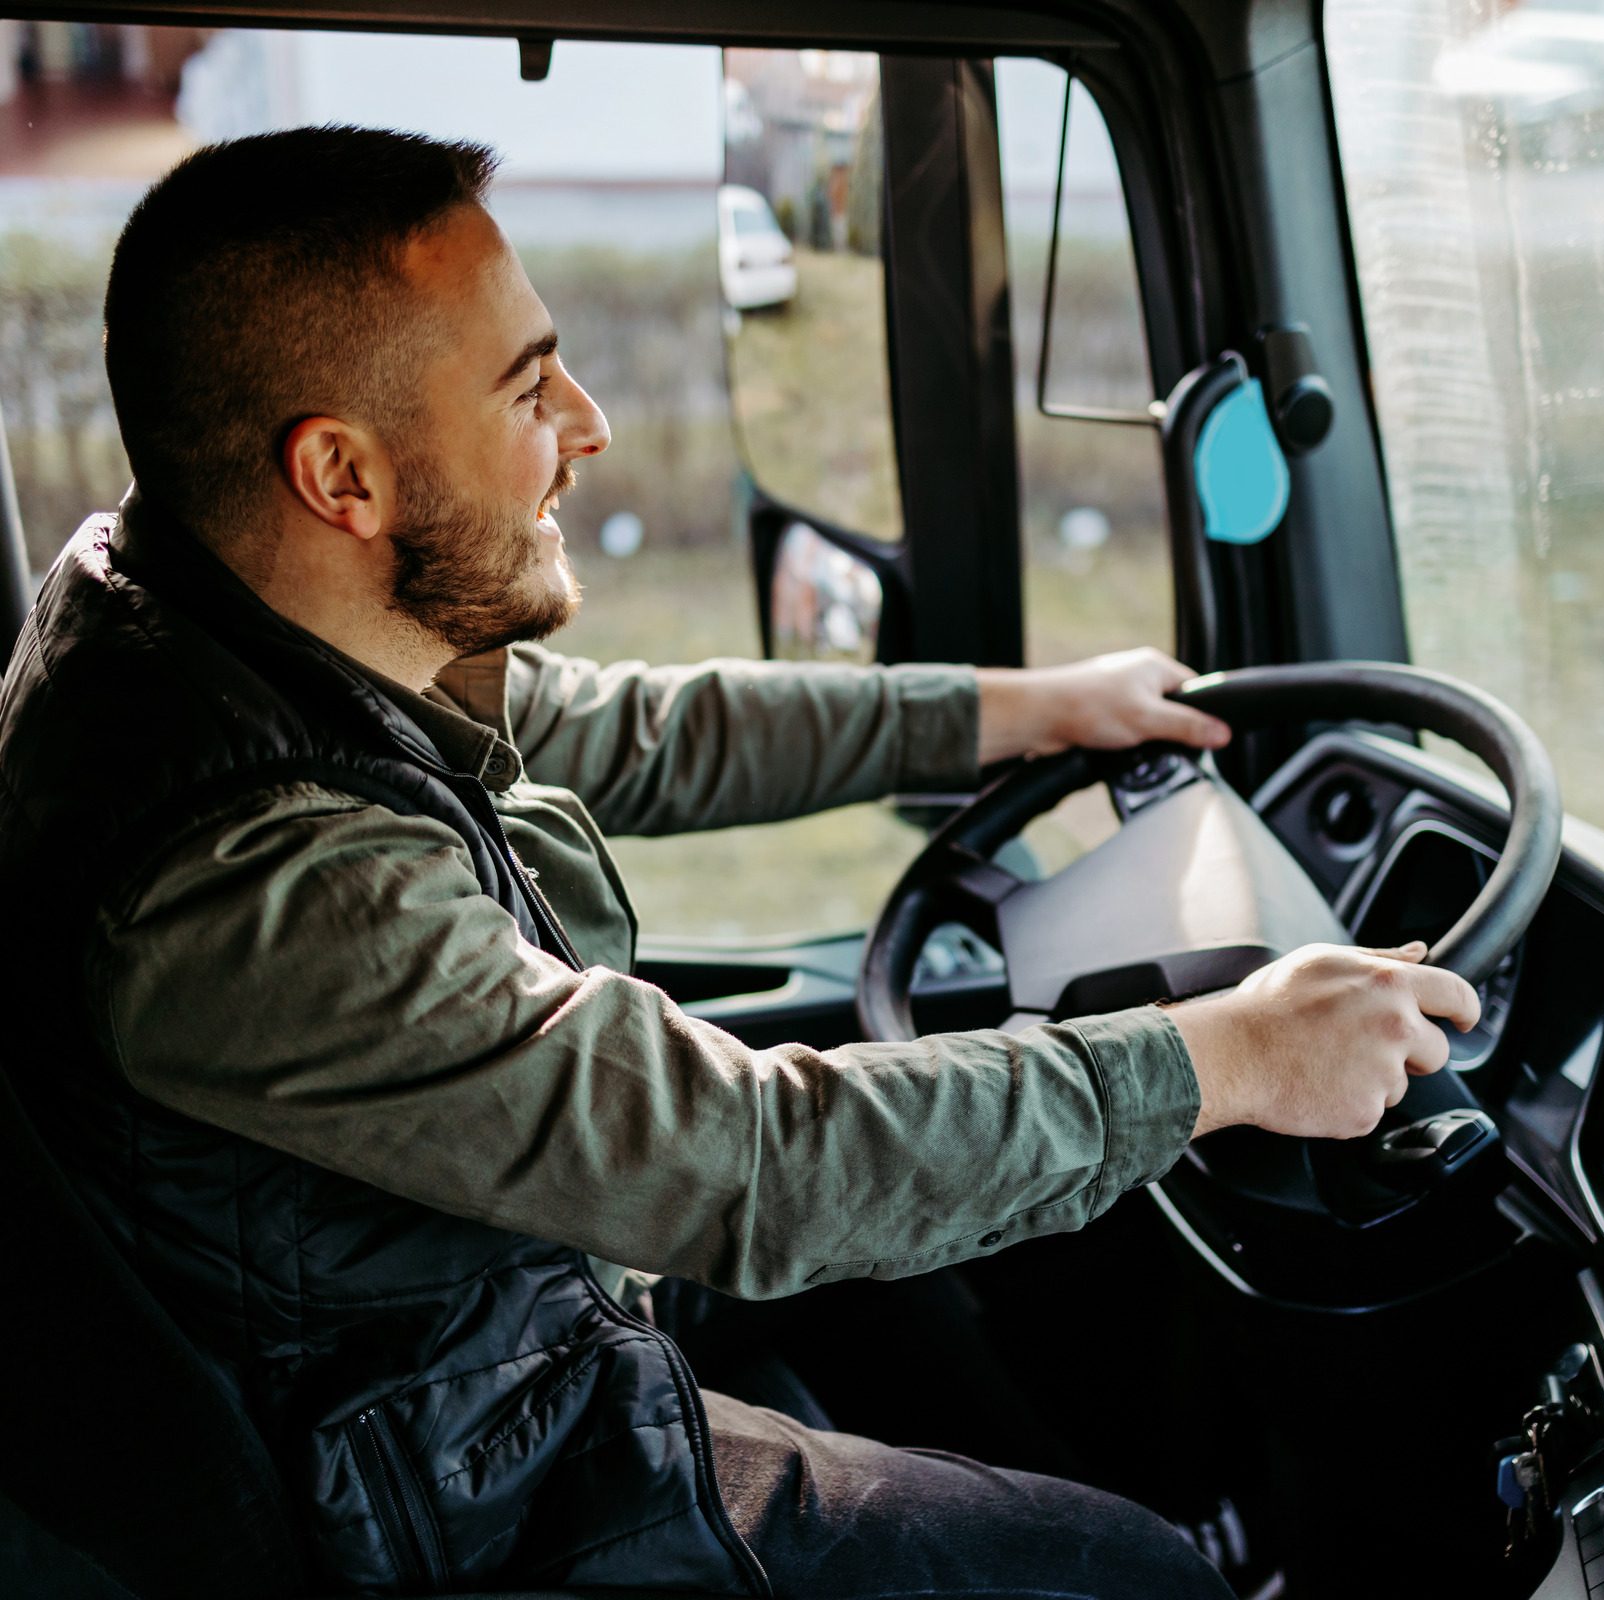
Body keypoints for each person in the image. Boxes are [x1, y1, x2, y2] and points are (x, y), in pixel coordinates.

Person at [0, 127, 1479, 1598]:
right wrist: (1228, 1057)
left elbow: (635, 729)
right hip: (457, 1483)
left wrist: (1022, 710)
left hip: (472, 1322)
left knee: (935, 1314)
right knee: (1130, 1579)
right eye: (527, 387)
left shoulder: (223, 631)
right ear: (343, 474)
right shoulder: (263, 879)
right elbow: (753, 1160)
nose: (587, 426)